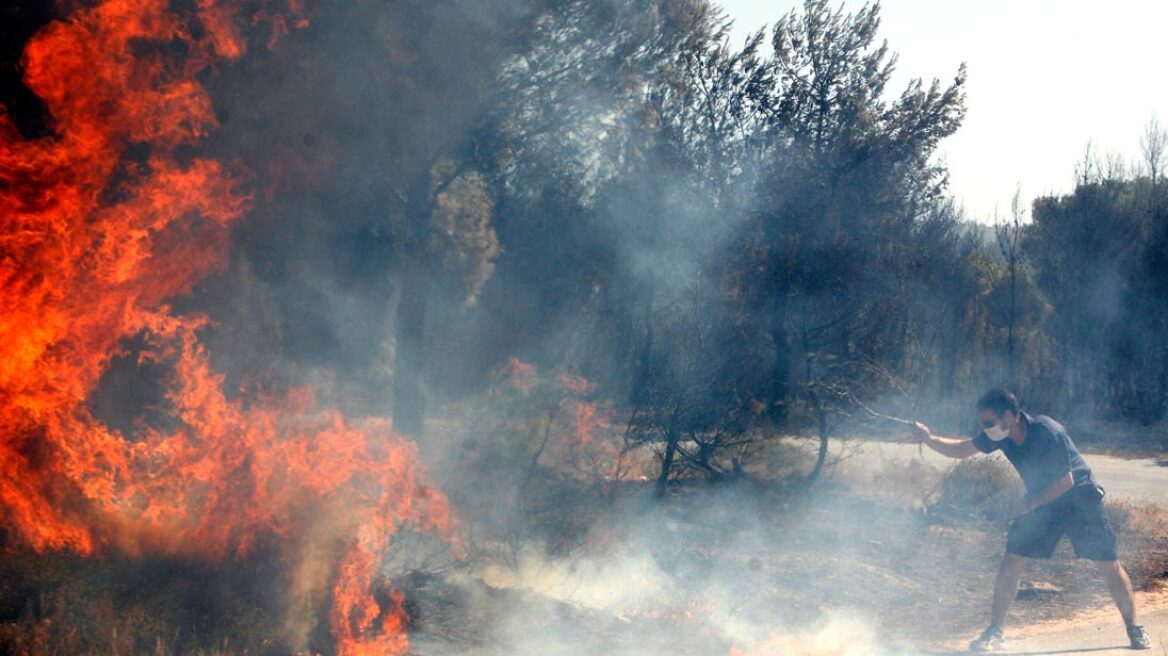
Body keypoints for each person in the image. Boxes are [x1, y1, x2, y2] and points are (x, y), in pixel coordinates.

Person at [910, 388, 1152, 652]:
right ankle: (995, 632)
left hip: (1079, 499)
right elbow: (961, 449)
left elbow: (1066, 481)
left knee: (1108, 564)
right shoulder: (1001, 435)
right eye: (983, 423)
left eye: (989, 422)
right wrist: (929, 438)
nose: (986, 428)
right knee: (1012, 560)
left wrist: (1029, 504)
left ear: (1009, 416)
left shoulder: (1048, 431)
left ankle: (1134, 628)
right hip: (1042, 501)